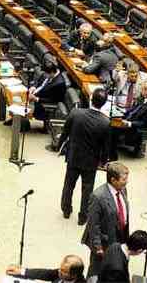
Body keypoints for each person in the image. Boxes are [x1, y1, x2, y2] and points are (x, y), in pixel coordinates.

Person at [59, 88, 111, 225]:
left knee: (68, 185)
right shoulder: (106, 122)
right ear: (104, 103)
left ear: (91, 98)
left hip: (74, 156)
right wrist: (103, 162)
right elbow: (106, 147)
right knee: (87, 190)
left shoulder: (76, 113)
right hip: (91, 161)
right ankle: (83, 217)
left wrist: (59, 146)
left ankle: (66, 209)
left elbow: (64, 132)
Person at [81, 162, 131, 278]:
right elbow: (93, 224)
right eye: (123, 179)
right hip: (104, 243)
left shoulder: (123, 189)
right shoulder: (98, 197)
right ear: (113, 180)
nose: (126, 182)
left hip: (119, 239)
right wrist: (98, 247)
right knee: (97, 271)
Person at [119, 80, 147, 157]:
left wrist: (129, 123)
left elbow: (144, 123)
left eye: (143, 89)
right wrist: (123, 113)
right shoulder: (144, 98)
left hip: (136, 124)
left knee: (113, 129)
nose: (141, 91)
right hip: (131, 118)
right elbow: (133, 109)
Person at [6, 254, 86, 282]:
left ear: (74, 275)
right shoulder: (60, 273)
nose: (59, 271)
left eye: (64, 271)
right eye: (60, 268)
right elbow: (46, 274)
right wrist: (22, 271)